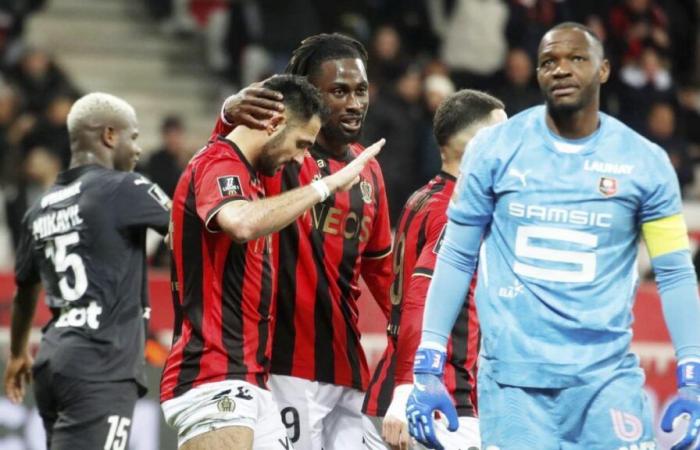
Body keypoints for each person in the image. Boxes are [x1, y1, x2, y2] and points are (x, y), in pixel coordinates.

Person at [406, 22, 700, 450]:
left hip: (606, 382)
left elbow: (674, 273)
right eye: (549, 62)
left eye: (576, 59)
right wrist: (428, 363)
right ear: (539, 73)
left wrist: (692, 373)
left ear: (603, 69)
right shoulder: (493, 150)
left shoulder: (646, 164)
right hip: (513, 386)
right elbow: (455, 257)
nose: (561, 69)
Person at [159, 74, 385, 450]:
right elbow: (242, 222)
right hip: (211, 375)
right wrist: (324, 187)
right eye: (300, 144)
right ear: (273, 123)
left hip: (250, 378)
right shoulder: (219, 161)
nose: (300, 158)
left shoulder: (254, 177)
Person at [215, 33, 394, 450]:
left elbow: (384, 273)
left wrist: (422, 338)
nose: (354, 103)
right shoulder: (279, 155)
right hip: (282, 365)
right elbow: (221, 155)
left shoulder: (369, 171)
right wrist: (227, 115)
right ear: (311, 94)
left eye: (361, 91)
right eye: (339, 91)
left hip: (348, 368)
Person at [3, 92, 171, 450]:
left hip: (52, 360)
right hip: (102, 364)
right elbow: (192, 233)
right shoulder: (126, 187)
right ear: (110, 135)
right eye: (134, 136)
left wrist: (18, 354)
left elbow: (24, 293)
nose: (138, 149)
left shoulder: (41, 209)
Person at [362, 89, 506, 450]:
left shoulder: (422, 197)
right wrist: (409, 388)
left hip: (398, 389)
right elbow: (421, 299)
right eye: (501, 135)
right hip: (437, 402)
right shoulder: (454, 212)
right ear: (476, 143)